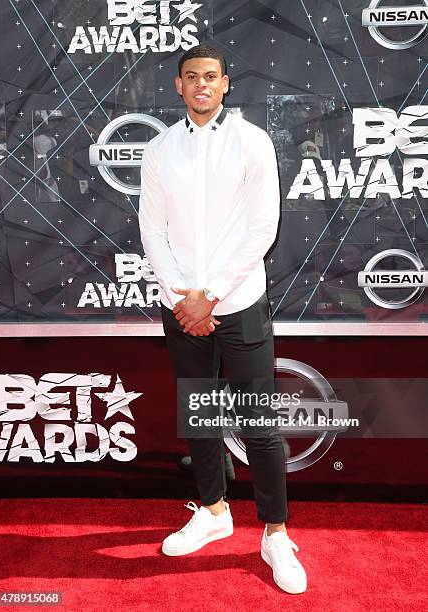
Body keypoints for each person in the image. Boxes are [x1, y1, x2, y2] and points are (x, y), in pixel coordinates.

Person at [138, 44, 307, 594]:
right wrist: (182, 298)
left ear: (226, 83)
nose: (202, 85)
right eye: (192, 77)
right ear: (178, 86)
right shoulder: (160, 150)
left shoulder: (252, 142)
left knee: (259, 424)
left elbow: (263, 228)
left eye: (211, 77)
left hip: (238, 304)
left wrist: (209, 294)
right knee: (201, 421)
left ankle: (276, 534)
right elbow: (151, 231)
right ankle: (213, 512)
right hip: (183, 308)